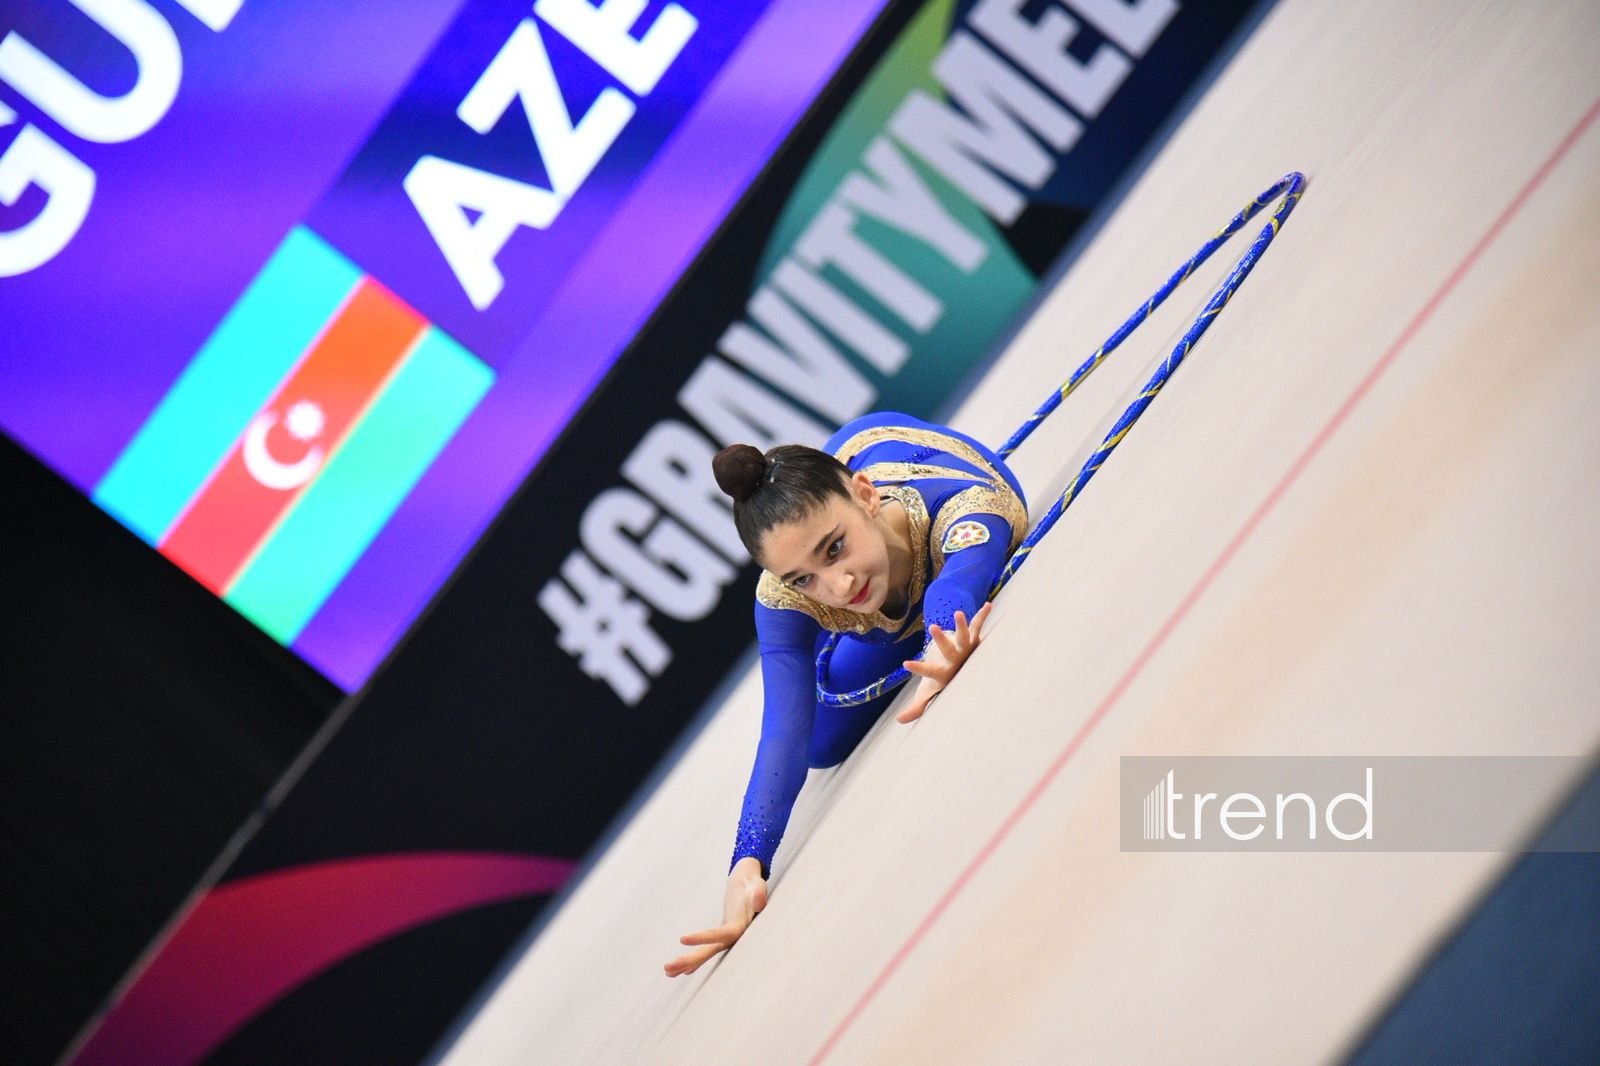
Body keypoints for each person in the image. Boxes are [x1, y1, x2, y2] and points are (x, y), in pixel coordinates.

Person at [664, 411, 1028, 978]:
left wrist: (941, 632)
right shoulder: (782, 594)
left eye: (833, 550)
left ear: (864, 494)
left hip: (923, 525)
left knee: (908, 642)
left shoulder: (963, 506)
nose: (836, 588)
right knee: (819, 744)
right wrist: (746, 862)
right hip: (875, 559)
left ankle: (889, 623)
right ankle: (872, 624)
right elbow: (783, 727)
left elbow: (956, 584)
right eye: (803, 578)